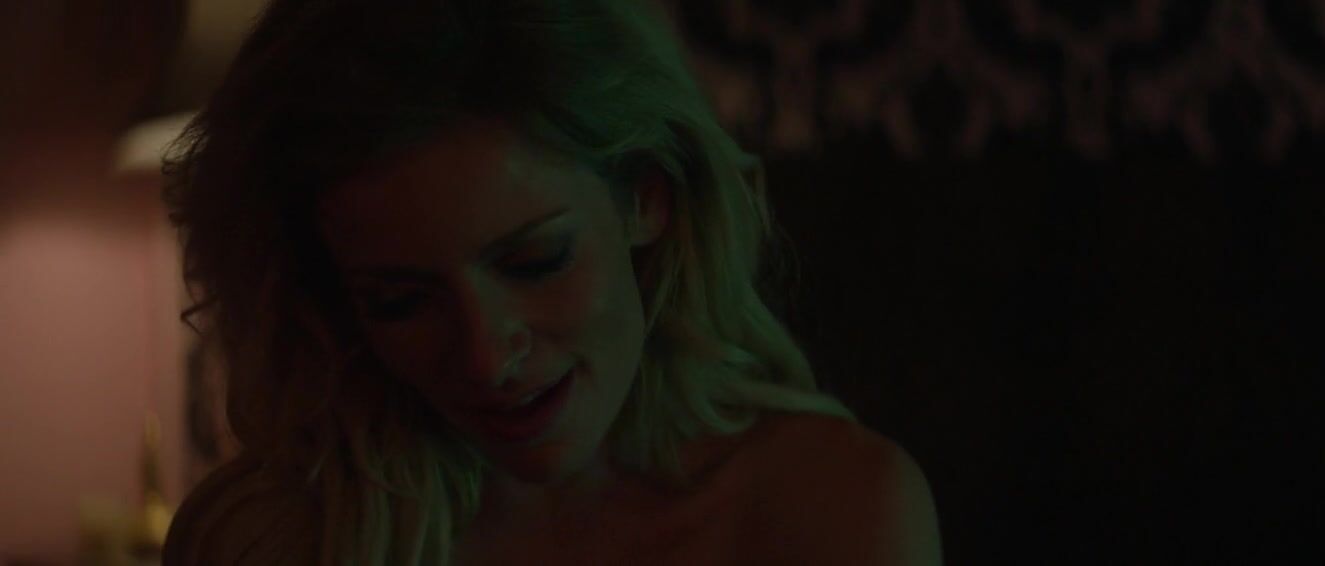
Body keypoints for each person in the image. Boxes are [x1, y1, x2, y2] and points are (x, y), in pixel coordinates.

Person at [159, 0, 942, 564]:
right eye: (400, 301)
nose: (484, 356)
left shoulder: (832, 508)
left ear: (647, 199)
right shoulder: (268, 539)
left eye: (534, 262)